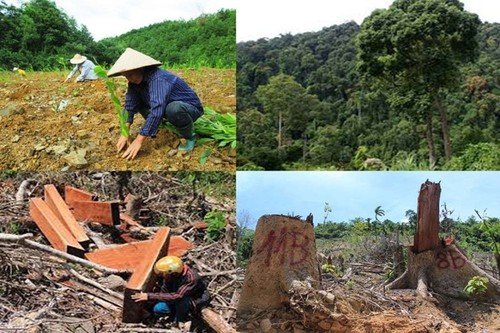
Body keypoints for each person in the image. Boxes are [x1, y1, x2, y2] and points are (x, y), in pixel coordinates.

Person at [107, 48, 204, 159]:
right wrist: (124, 132)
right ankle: (155, 126)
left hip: (188, 108)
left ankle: (190, 137)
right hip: (165, 106)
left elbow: (157, 109)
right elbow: (129, 106)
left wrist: (139, 140)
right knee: (137, 102)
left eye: (131, 74)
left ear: (140, 68)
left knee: (174, 109)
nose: (129, 79)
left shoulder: (158, 78)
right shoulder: (134, 83)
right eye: (126, 76)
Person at [131, 256, 210, 330]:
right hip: (174, 298)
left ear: (173, 272)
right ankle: (173, 316)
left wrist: (149, 296)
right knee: (158, 308)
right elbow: (164, 291)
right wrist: (150, 300)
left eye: (164, 273)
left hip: (194, 299)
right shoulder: (170, 275)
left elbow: (179, 296)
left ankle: (180, 321)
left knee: (182, 302)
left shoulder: (191, 278)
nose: (163, 275)